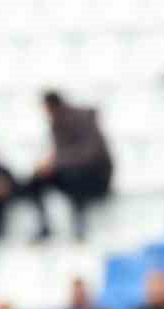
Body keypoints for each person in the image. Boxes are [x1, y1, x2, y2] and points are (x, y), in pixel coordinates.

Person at [21, 92, 113, 242]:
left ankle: (79, 226)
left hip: (96, 175)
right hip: (70, 170)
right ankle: (44, 227)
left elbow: (91, 154)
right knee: (35, 181)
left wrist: (55, 162)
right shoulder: (57, 123)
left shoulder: (82, 119)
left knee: (74, 177)